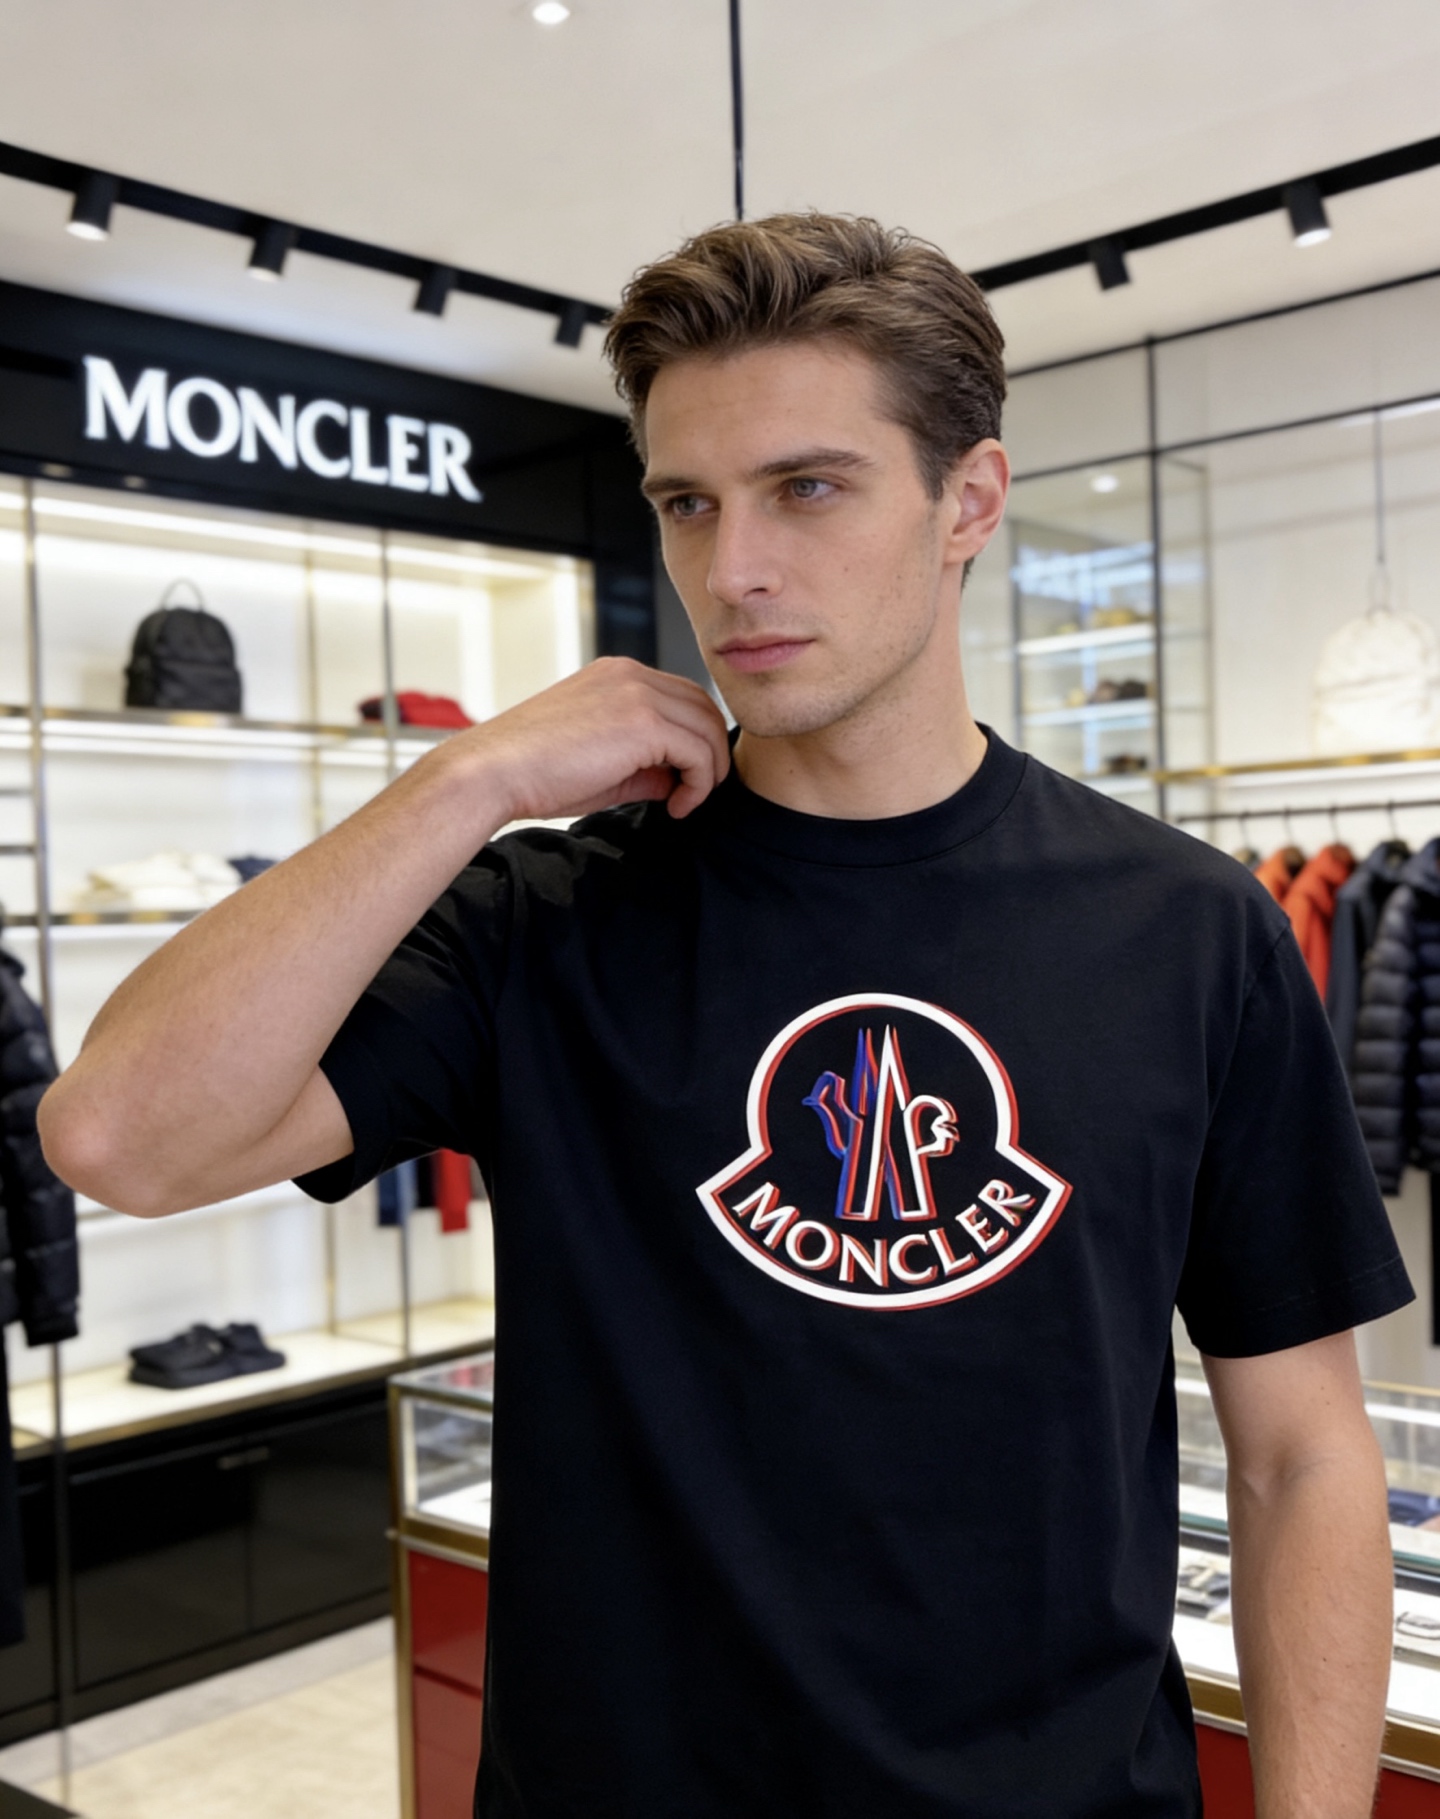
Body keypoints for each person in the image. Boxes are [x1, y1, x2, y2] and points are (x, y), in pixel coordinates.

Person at [40, 214, 1409, 1819]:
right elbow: (119, 1139)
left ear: (969, 500)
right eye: (687, 502)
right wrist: (464, 779)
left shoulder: (1187, 928)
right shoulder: (545, 918)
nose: (732, 569)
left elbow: (1302, 1457)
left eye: (807, 488)